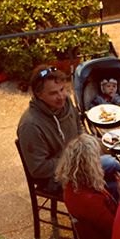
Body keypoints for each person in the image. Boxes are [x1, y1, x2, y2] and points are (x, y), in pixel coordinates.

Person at [55, 135, 120, 239]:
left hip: (97, 232)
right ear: (89, 165)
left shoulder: (72, 182)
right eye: (97, 160)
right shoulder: (89, 202)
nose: (100, 162)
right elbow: (117, 232)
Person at [17, 65, 80, 195]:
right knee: (104, 183)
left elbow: (78, 126)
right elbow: (39, 169)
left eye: (62, 89)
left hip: (76, 161)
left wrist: (85, 147)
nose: (61, 96)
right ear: (39, 95)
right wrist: (73, 160)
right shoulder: (31, 125)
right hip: (51, 179)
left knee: (114, 165)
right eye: (53, 93)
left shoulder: (65, 103)